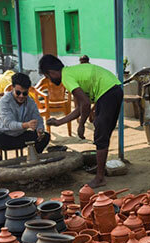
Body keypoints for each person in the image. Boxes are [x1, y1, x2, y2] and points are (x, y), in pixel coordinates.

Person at [39, 54, 123, 188]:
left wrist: (81, 125)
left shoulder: (66, 77)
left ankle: (100, 177)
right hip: (114, 89)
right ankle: (99, 169)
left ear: (51, 72)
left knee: (101, 134)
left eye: (48, 77)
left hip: (108, 92)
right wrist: (59, 122)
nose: (50, 80)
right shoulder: (71, 72)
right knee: (102, 133)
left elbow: (85, 104)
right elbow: (80, 107)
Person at [0, 72, 49, 161]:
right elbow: (9, 124)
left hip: (20, 136)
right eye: (18, 92)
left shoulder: (30, 102)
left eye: (24, 93)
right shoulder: (4, 101)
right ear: (12, 88)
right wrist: (26, 125)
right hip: (4, 136)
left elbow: (38, 119)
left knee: (45, 136)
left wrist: (40, 129)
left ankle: (33, 158)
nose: (21, 96)